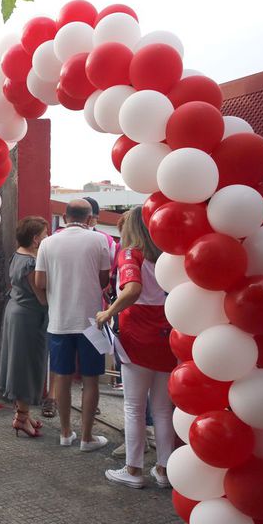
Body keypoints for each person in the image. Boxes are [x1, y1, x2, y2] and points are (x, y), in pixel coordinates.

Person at [96, 207, 176, 489]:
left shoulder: (131, 254)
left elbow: (132, 289)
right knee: (163, 409)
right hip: (167, 336)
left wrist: (107, 313)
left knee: (134, 407)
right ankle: (165, 470)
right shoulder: (167, 256)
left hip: (137, 336)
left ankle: (133, 470)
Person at [35, 199, 111, 452]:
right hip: (91, 321)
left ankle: (66, 433)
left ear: (65, 217)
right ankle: (87, 438)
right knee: (91, 380)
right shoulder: (99, 240)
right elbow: (104, 279)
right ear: (90, 219)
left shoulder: (47, 242)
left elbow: (40, 281)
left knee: (63, 380)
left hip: (59, 322)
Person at [0, 216, 49, 438]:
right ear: (36, 239)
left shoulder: (18, 254)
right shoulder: (31, 263)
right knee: (26, 365)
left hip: (16, 311)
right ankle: (21, 417)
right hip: (28, 317)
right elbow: (42, 298)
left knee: (17, 362)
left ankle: (23, 415)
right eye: (46, 235)